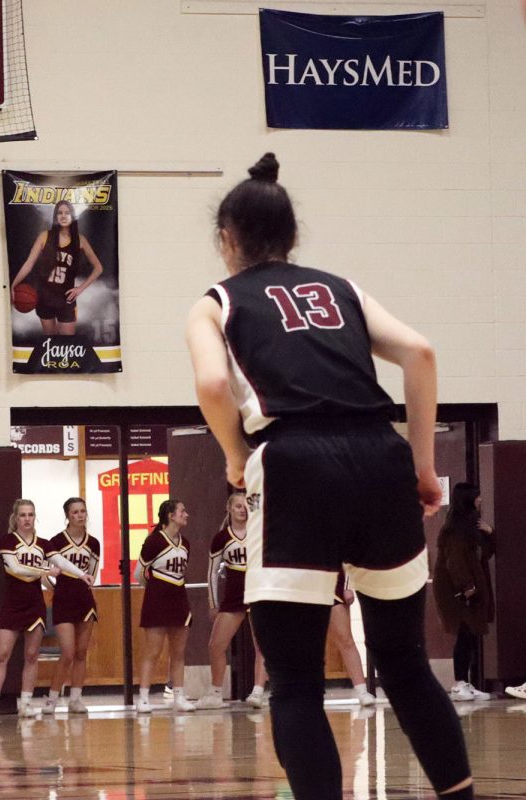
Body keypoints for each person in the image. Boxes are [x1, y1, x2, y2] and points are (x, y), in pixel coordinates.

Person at [185, 152, 473, 800]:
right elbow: (421, 354)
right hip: (379, 456)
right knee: (404, 665)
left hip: (294, 463)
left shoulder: (217, 301)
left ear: (226, 240)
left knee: (293, 681)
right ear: (291, 237)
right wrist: (422, 466)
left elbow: (210, 383)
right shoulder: (340, 288)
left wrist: (234, 454)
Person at [0, 499, 92, 720]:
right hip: (12, 604)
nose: (27, 519)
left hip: (34, 604)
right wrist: (45, 570)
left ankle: (26, 703)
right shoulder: (8, 541)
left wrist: (80, 573)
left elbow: (61, 561)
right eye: (23, 515)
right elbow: (15, 568)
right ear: (15, 518)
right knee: (2, 654)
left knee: (31, 655)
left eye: (30, 515)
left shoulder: (44, 544)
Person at [197, 492, 268, 710]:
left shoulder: (259, 532)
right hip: (233, 597)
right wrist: (212, 603)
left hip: (258, 594)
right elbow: (211, 574)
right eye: (237, 506)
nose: (242, 509)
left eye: (245, 505)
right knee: (216, 645)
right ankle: (216, 692)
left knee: (262, 646)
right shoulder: (221, 538)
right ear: (229, 509)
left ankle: (257, 691)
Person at [432, 482, 495, 702]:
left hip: (466, 587)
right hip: (456, 590)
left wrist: (489, 533)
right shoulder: (455, 527)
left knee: (469, 634)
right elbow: (455, 561)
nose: (480, 499)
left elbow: (483, 554)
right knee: (464, 632)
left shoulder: (470, 525)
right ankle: (459, 683)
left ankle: (464, 682)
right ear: (468, 499)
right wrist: (467, 588)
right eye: (477, 496)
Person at [134, 499, 196, 713]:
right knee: (153, 651)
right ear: (170, 515)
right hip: (157, 600)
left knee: (178, 652)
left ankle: (178, 696)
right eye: (182, 511)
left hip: (179, 599)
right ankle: (143, 698)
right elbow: (138, 573)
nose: (186, 514)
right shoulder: (154, 542)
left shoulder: (185, 543)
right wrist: (154, 589)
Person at [41, 497, 101, 714]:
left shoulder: (93, 543)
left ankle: (76, 698)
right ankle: (52, 698)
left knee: (81, 652)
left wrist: (89, 591)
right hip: (63, 599)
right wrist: (54, 589)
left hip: (84, 600)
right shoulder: (55, 541)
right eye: (75, 512)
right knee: (67, 652)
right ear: (67, 515)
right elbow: (44, 573)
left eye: (83, 511)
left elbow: (92, 573)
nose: (80, 515)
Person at [9, 200, 105, 335]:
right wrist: (13, 285)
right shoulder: (44, 236)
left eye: (67, 213)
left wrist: (80, 289)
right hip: (44, 298)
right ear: (56, 216)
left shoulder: (80, 240)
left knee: (66, 344)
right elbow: (28, 263)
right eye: (60, 213)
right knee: (50, 342)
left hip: (66, 299)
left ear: (72, 216)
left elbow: (98, 268)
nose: (64, 216)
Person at [327, 572, 379, 706]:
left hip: (330, 582)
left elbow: (345, 553)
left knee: (345, 639)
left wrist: (347, 586)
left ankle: (362, 691)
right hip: (301, 585)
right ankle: (265, 691)